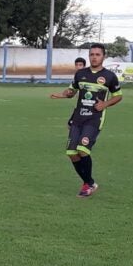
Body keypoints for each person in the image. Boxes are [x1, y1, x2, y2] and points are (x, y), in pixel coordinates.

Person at [50, 43, 122, 198]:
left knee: (82, 151)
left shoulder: (109, 76)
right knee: (72, 153)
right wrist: (64, 94)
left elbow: (118, 96)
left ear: (103, 57)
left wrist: (105, 104)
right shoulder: (80, 74)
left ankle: (88, 185)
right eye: (92, 54)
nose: (94, 57)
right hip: (78, 117)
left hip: (94, 119)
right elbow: (72, 90)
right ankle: (89, 183)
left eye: (98, 54)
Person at [50, 57, 87, 128]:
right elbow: (70, 93)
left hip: (87, 107)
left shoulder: (88, 78)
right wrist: (58, 95)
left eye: (80, 65)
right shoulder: (77, 78)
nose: (78, 67)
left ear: (84, 66)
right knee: (71, 125)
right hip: (79, 107)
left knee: (75, 126)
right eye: (76, 65)